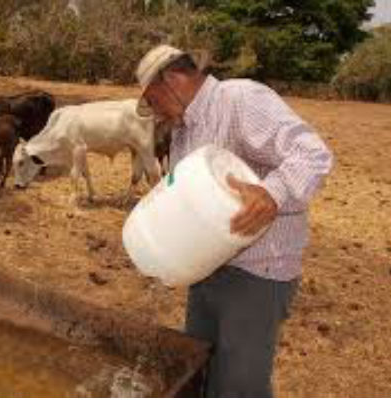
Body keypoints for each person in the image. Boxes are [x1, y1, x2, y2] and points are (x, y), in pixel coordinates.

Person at [135, 45, 333, 397]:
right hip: (208, 270)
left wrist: (273, 193)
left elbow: (311, 153)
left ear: (171, 79)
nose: (154, 112)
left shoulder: (239, 99)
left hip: (256, 275)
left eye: (152, 100)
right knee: (198, 371)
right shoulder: (184, 130)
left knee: (239, 387)